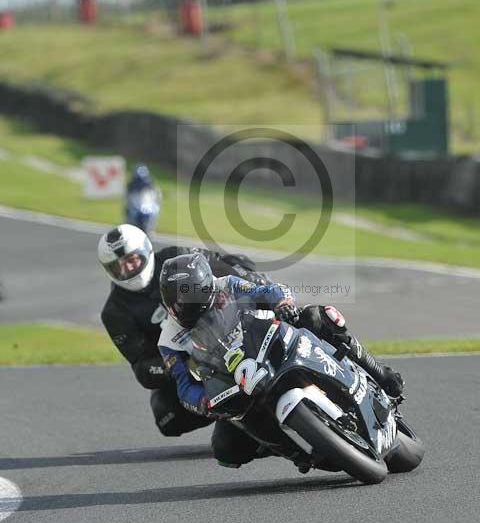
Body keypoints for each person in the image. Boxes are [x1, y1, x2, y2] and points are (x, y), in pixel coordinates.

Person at [157, 253, 404, 468]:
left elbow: (268, 291)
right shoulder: (168, 339)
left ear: (206, 287)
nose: (184, 306)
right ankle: (292, 449)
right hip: (234, 382)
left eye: (191, 296)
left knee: (318, 316)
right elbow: (184, 386)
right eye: (177, 301)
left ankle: (378, 370)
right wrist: (202, 401)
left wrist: (283, 304)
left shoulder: (228, 285)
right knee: (225, 449)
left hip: (267, 342)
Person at [97, 223, 270, 439]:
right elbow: (142, 367)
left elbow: (222, 264)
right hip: (189, 360)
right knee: (167, 416)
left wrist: (249, 277)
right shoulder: (114, 312)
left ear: (145, 252)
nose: (128, 269)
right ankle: (232, 418)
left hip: (228, 324)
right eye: (119, 267)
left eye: (132, 260)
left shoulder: (175, 258)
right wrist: (176, 363)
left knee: (270, 296)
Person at [124, 165, 160, 233]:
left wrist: (154, 204)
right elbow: (128, 198)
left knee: (152, 213)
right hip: (135, 207)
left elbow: (155, 196)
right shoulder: (131, 186)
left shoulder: (150, 184)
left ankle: (150, 227)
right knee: (130, 215)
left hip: (146, 207)